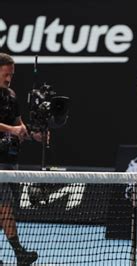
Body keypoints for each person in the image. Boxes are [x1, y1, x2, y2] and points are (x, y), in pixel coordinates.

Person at [0, 53, 39, 265]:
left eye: (12, 75)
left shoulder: (11, 95)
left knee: (5, 207)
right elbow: (12, 127)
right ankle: (19, 252)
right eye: (6, 74)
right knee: (4, 205)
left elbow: (18, 124)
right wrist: (12, 129)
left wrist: (32, 134)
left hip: (9, 160)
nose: (9, 79)